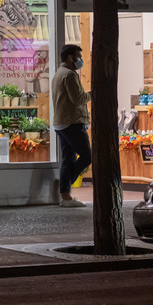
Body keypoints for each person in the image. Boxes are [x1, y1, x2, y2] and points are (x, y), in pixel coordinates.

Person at [51, 44, 92, 207]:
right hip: (72, 122)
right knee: (87, 156)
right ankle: (66, 186)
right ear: (70, 57)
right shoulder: (69, 75)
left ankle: (65, 196)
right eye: (78, 57)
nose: (80, 60)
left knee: (68, 158)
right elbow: (78, 99)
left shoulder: (58, 73)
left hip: (61, 123)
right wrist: (92, 94)